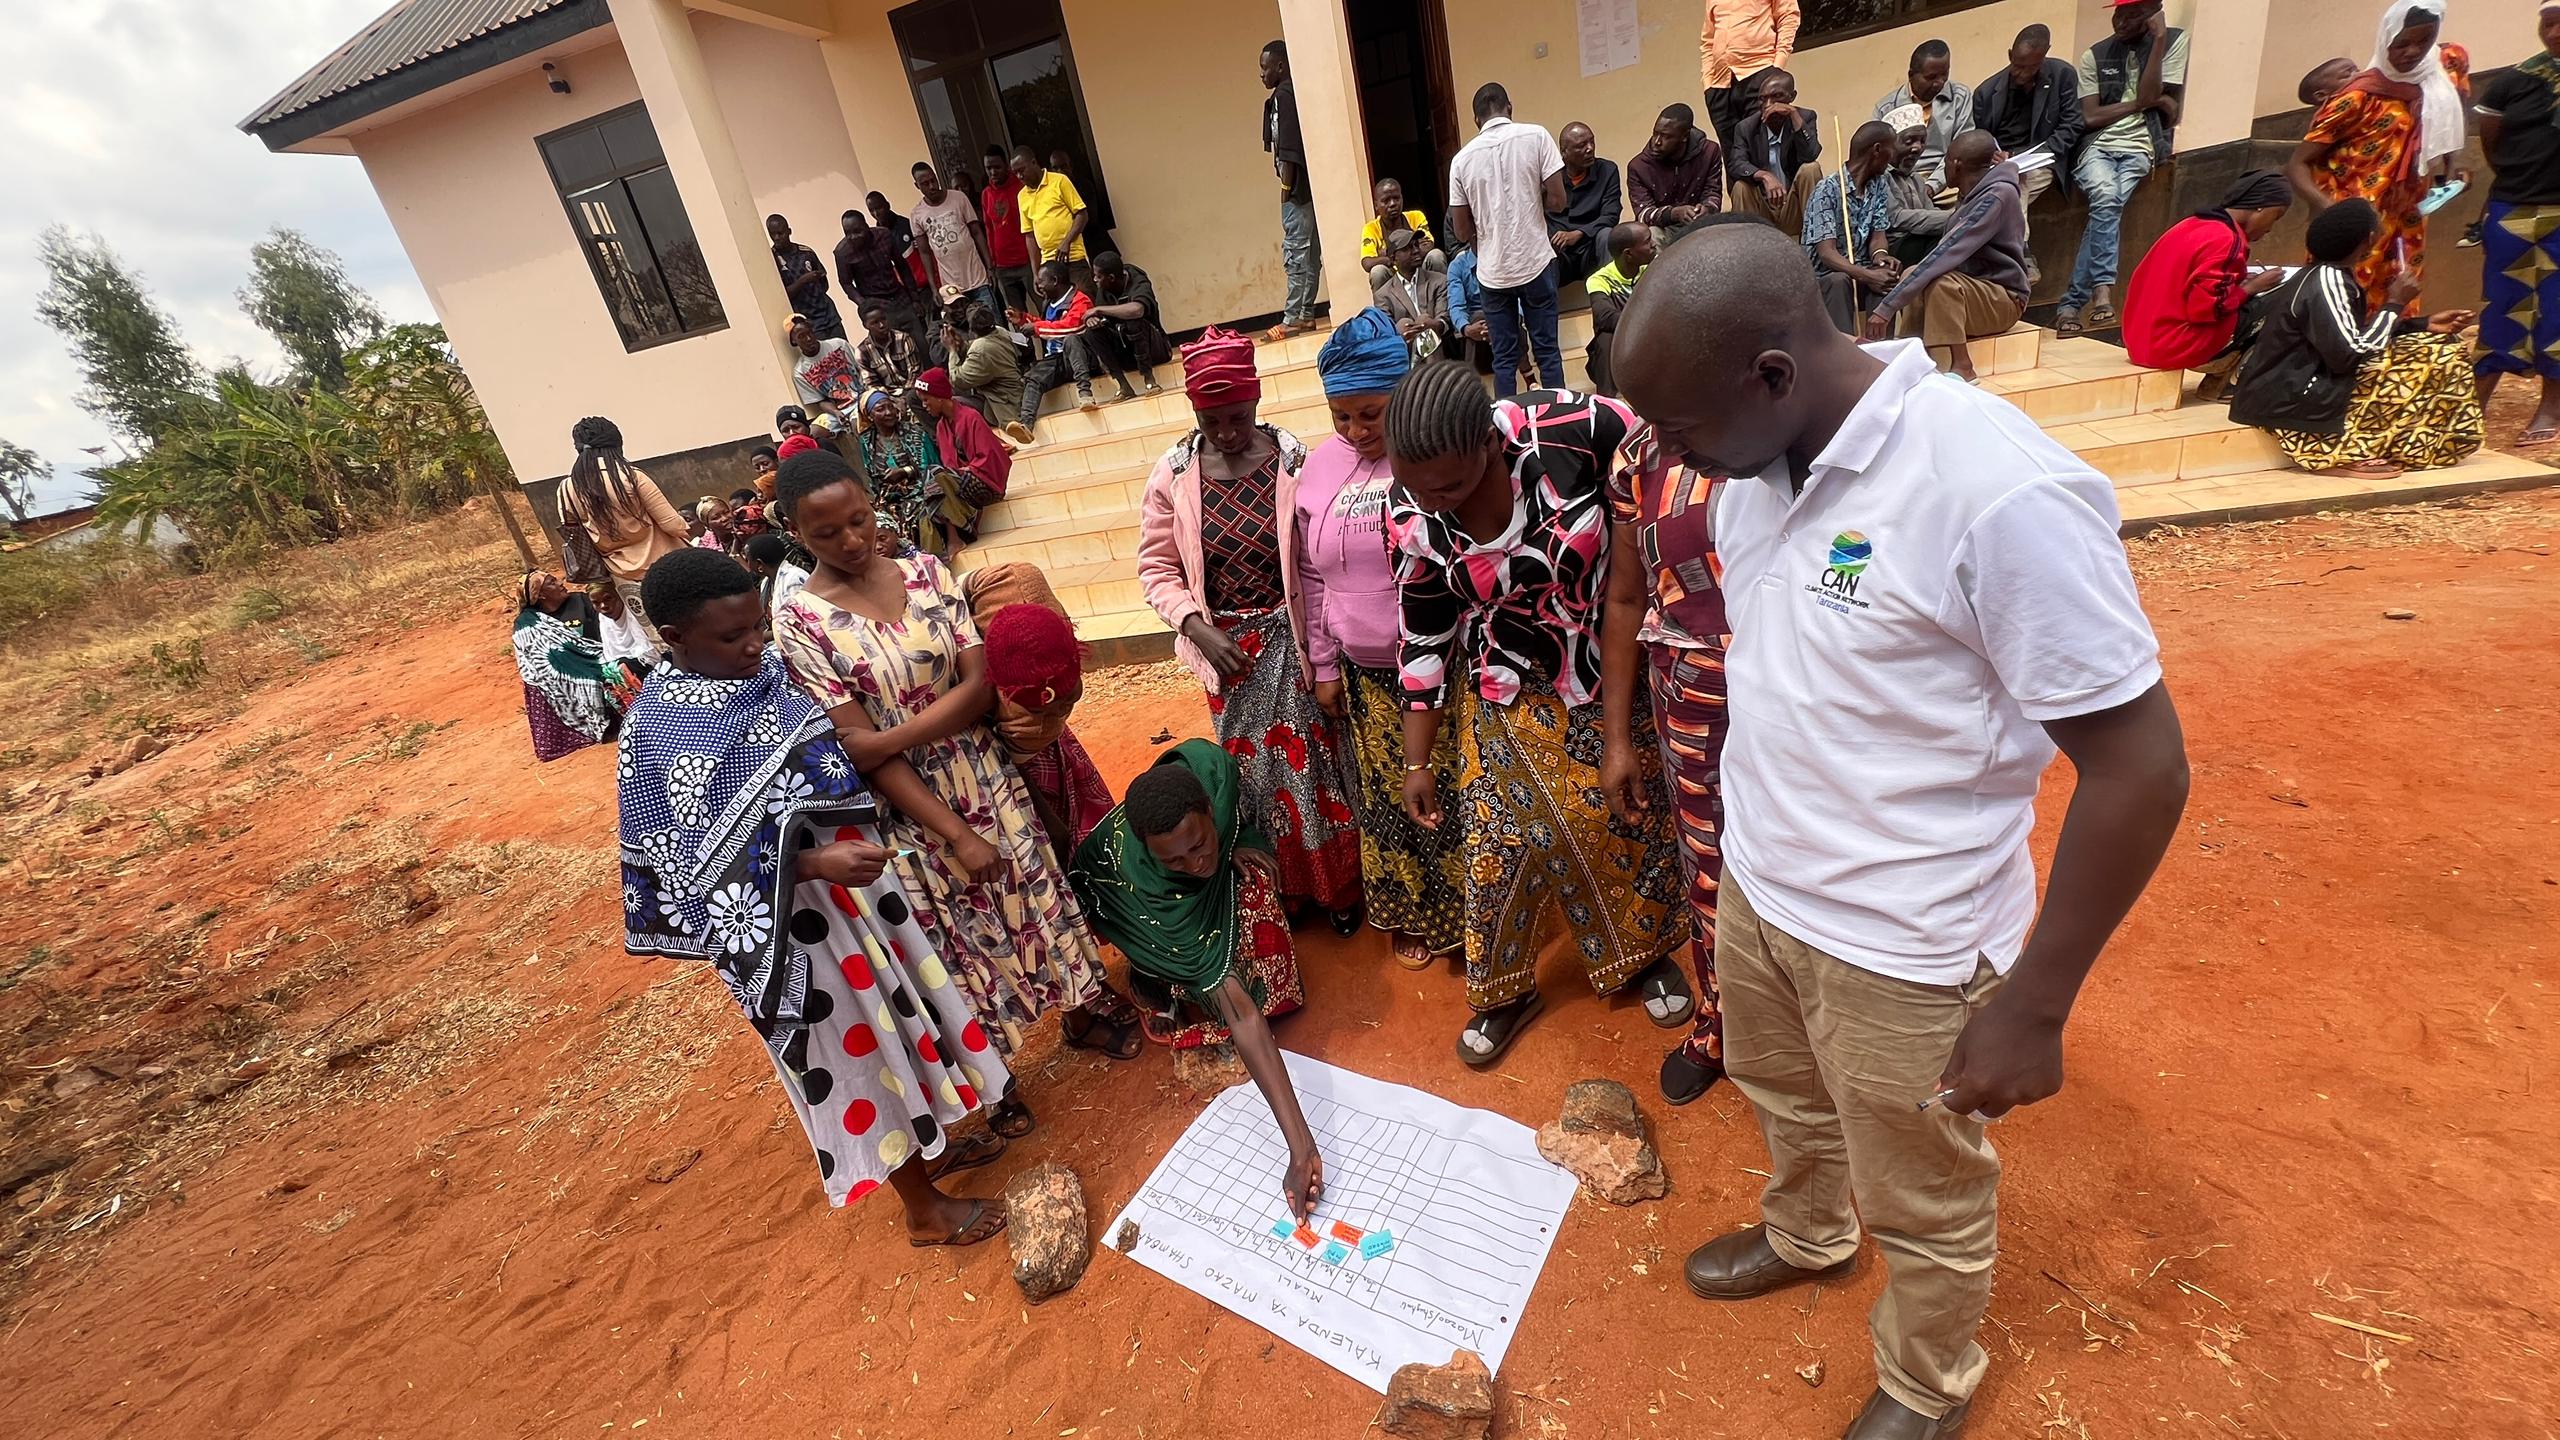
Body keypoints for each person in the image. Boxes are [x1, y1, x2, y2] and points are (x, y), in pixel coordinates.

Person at [1613, 220, 2191, 1440]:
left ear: (1773, 374)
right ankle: (1808, 1233)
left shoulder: (1994, 489)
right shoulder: (1750, 471)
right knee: (1783, 1096)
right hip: (1763, 891)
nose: (1667, 458)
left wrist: (2034, 1005)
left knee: (1923, 1190)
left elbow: (2140, 768)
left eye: (1681, 428)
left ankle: (1929, 1382)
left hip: (1904, 942)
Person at [618, 547, 1013, 1245]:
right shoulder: (659, 731)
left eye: (756, 627)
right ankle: (922, 1210)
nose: (754, 645)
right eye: (732, 636)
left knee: (901, 1018)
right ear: (673, 638)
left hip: (856, 894)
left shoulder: (764, 674)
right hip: (787, 929)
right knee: (857, 1052)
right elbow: (685, 867)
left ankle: (932, 1147)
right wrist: (810, 862)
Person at [772, 449, 1138, 1110]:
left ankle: (1080, 1012)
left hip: (984, 772)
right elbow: (864, 753)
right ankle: (995, 1079)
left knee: (1031, 893)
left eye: (859, 519)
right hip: (909, 805)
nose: (851, 540)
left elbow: (978, 686)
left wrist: (883, 738)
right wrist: (954, 831)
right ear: (795, 532)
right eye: (826, 533)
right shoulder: (799, 621)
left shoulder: (926, 572)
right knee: (955, 936)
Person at [1383, 364, 1696, 1066]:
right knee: (1496, 849)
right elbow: (1424, 630)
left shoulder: (1580, 431)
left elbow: (1649, 518)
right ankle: (1505, 991)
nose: (1432, 503)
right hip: (1505, 682)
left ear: (1488, 445)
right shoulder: (1410, 509)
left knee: (1617, 822)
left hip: (1609, 666)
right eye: (1416, 486)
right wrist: (1416, 759)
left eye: (1449, 487)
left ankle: (1643, 956)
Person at [1138, 326, 1364, 926]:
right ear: (1194, 412)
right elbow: (1157, 568)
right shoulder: (1173, 476)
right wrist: (1195, 626)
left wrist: (1325, 654)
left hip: (1297, 641)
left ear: (1256, 399)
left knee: (1317, 766)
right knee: (1249, 777)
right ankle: (1284, 891)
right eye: (1211, 421)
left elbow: (1317, 563)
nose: (1226, 433)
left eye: (1237, 417)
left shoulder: (1294, 463)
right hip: (1228, 654)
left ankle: (1339, 888)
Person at [1068, 741, 1320, 1219]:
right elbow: (1240, 1013)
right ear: (1151, 853)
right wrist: (1300, 1146)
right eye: (1175, 861)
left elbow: (1227, 824)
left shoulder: (1213, 773)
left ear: (1209, 809)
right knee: (1210, 972)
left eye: (1201, 845)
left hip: (1187, 861)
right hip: (1132, 905)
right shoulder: (1146, 883)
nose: (1196, 864)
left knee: (1254, 885)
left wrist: (1236, 839)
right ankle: (1153, 974)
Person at [1294, 311, 1463, 968]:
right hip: (1364, 675)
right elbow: (1312, 572)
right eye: (1341, 416)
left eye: (1371, 414)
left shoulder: (1431, 454)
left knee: (1449, 793)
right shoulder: (1319, 468)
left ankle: (1475, 917)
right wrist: (1323, 663)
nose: (1356, 431)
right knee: (1391, 801)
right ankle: (1414, 912)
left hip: (1442, 668)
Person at [2231, 199, 2482, 478]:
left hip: (2295, 386)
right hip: (2291, 398)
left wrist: (2422, 324)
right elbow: (2349, 354)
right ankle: (2344, 450)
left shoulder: (2326, 274)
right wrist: (2395, 303)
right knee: (2437, 357)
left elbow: (2346, 336)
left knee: (2439, 343)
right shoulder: (2328, 280)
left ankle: (2402, 443)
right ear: (2370, 238)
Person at [2288, 2, 2472, 317]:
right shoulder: (2358, 98)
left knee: (2401, 292)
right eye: (2401, 44)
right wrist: (2329, 210)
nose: (2413, 52)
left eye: (2424, 41)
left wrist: (2451, 169)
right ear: (2385, 39)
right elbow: (2297, 164)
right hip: (2357, 215)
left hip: (2407, 214)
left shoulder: (2434, 82)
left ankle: (2388, 346)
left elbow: (2453, 82)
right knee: (2341, 298)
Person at [2060, 0, 2187, 336]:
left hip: (2142, 147)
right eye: (2118, 14)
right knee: (2106, 198)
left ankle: (2071, 304)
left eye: (2132, 15)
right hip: (2098, 146)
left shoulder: (2174, 41)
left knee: (2106, 206)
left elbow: (2152, 92)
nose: (2120, 22)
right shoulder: (2095, 54)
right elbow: (2090, 117)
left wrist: (2158, 41)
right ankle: (2101, 292)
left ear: (2153, 16)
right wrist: (2146, 103)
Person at [1866, 132, 2030, 382]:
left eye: (1946, 161)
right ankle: (1912, 356)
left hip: (2005, 299)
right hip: (1976, 291)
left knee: (1942, 284)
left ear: (1956, 164)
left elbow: (1948, 251)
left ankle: (1960, 367)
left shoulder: (1995, 197)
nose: (1944, 168)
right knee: (1913, 274)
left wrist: (1886, 308)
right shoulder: (1976, 191)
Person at [2121, 170, 2296, 396]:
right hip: (2170, 346)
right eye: (2276, 216)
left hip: (2139, 341)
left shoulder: (2191, 224)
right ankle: (2232, 382)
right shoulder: (2226, 240)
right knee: (2287, 296)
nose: (2271, 227)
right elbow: (2206, 311)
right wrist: (2252, 288)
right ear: (2261, 208)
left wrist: (2239, 283)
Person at [975, 593, 1114, 868]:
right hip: (1027, 777)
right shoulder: (1019, 729)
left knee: (1098, 831)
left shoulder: (1046, 713)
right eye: (1040, 711)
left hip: (1062, 757)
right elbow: (1051, 828)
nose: (1058, 711)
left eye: (1068, 698)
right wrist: (1056, 833)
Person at [1448, 83, 1568, 398]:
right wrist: (1532, 202)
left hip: (1492, 272)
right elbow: (1558, 201)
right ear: (1509, 107)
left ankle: (1507, 423)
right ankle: (1560, 418)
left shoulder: (1461, 160)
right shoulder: (1537, 136)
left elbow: (1461, 232)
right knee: (1547, 351)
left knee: (1503, 358)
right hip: (1535, 261)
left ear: (1476, 120)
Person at [2475, 3, 2560, 444]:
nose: (2555, 32)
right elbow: (2492, 142)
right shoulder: (2514, 81)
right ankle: (2474, 404)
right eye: (2548, 23)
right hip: (2514, 207)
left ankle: (2551, 407)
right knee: (2502, 303)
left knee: (2558, 310)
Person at [554, 416, 690, 641]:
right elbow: (672, 524)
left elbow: (575, 535)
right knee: (693, 621)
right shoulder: (632, 476)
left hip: (622, 575)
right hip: (669, 564)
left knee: (658, 633)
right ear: (616, 443)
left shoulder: (567, 488)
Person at [513, 570, 636, 761]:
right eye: (552, 582)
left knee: (620, 668)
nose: (560, 583)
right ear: (541, 595)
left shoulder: (580, 600)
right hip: (565, 675)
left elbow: (604, 627)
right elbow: (538, 662)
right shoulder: (529, 624)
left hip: (601, 653)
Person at [1803, 121, 1904, 335]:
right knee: (1839, 281)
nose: (1894, 157)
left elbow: (1878, 235)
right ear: (1877, 149)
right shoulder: (1827, 190)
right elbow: (1827, 254)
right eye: (1892, 149)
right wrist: (1867, 275)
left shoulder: (1878, 184)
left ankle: (1880, 347)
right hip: (1826, 278)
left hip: (1860, 271)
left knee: (1885, 278)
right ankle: (1844, 349)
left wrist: (1880, 257)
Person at [1971, 25, 2082, 210]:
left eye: (2031, 68)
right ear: (2010, 55)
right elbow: (1982, 137)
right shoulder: (1986, 93)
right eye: (2018, 66)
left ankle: (2012, 232)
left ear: (2044, 55)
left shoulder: (2062, 75)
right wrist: (1993, 154)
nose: (2021, 74)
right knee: (1986, 192)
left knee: (2013, 190)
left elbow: (2072, 125)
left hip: (2042, 159)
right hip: (1999, 161)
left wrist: (2029, 154)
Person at [852, 388, 964, 557]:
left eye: (890, 406)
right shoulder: (866, 441)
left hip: (919, 486)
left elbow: (928, 465)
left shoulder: (914, 432)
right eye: (880, 409)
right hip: (890, 495)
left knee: (926, 500)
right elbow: (872, 475)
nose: (888, 412)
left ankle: (945, 546)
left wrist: (905, 472)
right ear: (870, 416)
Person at [1262, 40, 1321, 339]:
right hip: (1309, 189)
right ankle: (1307, 314)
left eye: (1265, 67)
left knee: (1296, 254)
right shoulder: (1289, 94)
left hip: (1298, 191)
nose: (1261, 74)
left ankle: (1291, 318)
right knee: (1310, 254)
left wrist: (1286, 187)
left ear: (1280, 66)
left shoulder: (1284, 97)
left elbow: (1288, 149)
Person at [915, 366, 1009, 546]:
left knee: (934, 474)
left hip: (988, 485)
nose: (924, 405)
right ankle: (936, 555)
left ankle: (956, 538)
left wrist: (966, 470)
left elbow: (989, 458)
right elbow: (949, 466)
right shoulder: (941, 427)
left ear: (939, 397)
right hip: (960, 485)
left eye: (926, 400)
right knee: (925, 508)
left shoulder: (971, 417)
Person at [1727, 69, 1824, 237]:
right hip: (1763, 209)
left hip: (1794, 208)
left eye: (1776, 97)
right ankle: (1747, 244)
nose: (1768, 104)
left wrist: (1794, 115)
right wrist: (1765, 176)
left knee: (1811, 169)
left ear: (1792, 96)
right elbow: (1736, 164)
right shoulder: (1746, 127)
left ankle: (1817, 238)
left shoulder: (1804, 117)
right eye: (1762, 99)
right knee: (1741, 187)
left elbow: (1810, 154)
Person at [1872, 39, 1975, 192]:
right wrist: (1908, 188)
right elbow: (1878, 158)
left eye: (1944, 74)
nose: (1939, 83)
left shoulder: (1959, 97)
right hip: (1901, 185)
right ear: (1911, 75)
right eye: (1931, 77)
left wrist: (1932, 185)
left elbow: (1962, 147)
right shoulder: (1886, 108)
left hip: (1949, 181)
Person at [1699, 0, 1800, 156]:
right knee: (1732, 155)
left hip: (1759, 74)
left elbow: (1788, 16)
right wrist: (1708, 83)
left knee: (1763, 151)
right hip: (1720, 84)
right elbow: (1708, 41)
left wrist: (1776, 68)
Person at [909, 162, 1000, 325]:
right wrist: (934, 288)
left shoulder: (958, 198)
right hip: (952, 290)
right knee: (965, 329)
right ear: (917, 186)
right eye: (925, 184)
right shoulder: (917, 214)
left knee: (992, 324)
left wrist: (990, 267)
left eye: (933, 180)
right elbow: (924, 253)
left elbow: (977, 232)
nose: (932, 186)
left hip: (978, 279)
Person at [1019, 261, 1104, 422]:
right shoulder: (1049, 302)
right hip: (1057, 360)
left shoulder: (1080, 300)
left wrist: (1036, 328)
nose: (1038, 286)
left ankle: (1085, 394)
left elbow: (1071, 328)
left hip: (1082, 359)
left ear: (1055, 281)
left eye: (1041, 281)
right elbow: (1050, 325)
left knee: (1071, 340)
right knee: (1033, 377)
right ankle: (1025, 424)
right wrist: (1023, 319)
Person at [1628, 103, 1724, 241]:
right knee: (1652, 235)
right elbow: (1643, 214)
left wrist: (1707, 209)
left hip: (1699, 224)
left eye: (1666, 136)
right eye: (1655, 133)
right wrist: (1673, 214)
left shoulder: (1709, 152)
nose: (1657, 142)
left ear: (1685, 136)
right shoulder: (1639, 166)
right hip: (1664, 229)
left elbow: (1713, 193)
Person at [835, 208, 924, 352]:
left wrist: (915, 298)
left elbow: (902, 266)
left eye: (857, 231)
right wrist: (864, 305)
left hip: (901, 298)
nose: (853, 237)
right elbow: (846, 283)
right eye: (848, 233)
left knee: (921, 345)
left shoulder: (884, 235)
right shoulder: (842, 252)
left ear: (866, 225)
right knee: (896, 350)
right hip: (879, 308)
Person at [1584, 222, 1656, 396]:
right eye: (1647, 241)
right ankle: (1606, 401)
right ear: (1628, 254)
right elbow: (1603, 317)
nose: (1653, 244)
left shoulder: (1654, 268)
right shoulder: (1600, 279)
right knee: (1604, 337)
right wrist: (1641, 323)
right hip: (1621, 341)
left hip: (1651, 336)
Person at [1083, 252, 1170, 396]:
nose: (1095, 280)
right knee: (1092, 333)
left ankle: (1149, 379)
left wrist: (1098, 309)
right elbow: (1101, 318)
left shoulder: (1138, 281)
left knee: (1133, 321)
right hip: (1128, 353)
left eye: (1098, 276)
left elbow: (1137, 310)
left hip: (1155, 350)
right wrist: (1092, 320)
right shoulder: (1104, 289)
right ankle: (1123, 386)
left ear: (1111, 278)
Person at [950, 302, 1036, 444]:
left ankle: (999, 438)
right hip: (1014, 392)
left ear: (972, 328)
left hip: (1003, 403)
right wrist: (962, 345)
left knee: (954, 403)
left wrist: (952, 351)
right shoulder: (1000, 331)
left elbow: (958, 379)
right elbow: (982, 346)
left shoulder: (980, 350)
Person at [1548, 121, 1622, 285]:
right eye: (1581, 146)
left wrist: (1579, 233)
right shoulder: (1550, 177)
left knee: (1607, 235)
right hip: (1558, 251)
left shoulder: (1607, 171)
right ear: (1564, 152)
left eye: (1592, 141)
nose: (1590, 148)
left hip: (1590, 246)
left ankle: (1613, 294)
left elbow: (1611, 215)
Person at [1879, 106, 1952, 268]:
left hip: (1918, 242)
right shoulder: (1880, 176)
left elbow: (1931, 212)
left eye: (1922, 141)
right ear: (1890, 144)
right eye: (1909, 141)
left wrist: (1958, 218)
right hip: (1893, 250)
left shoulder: (1917, 179)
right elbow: (1896, 218)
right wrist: (1954, 217)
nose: (1917, 147)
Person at [1012, 147, 1092, 296]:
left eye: (1022, 170)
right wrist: (1036, 273)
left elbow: (1082, 215)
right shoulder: (1022, 196)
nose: (1019, 176)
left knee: (1083, 302)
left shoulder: (1059, 181)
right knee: (1055, 308)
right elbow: (1029, 236)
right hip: (1048, 265)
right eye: (1015, 173)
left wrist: (1066, 242)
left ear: (1034, 163)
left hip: (1073, 257)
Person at [1373, 230, 1450, 361]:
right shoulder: (1383, 295)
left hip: (1440, 346)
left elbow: (1445, 318)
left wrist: (1434, 325)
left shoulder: (1439, 281)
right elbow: (1386, 334)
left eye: (1416, 245)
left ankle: (1432, 373)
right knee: (1403, 324)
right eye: (1407, 248)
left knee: (1425, 325)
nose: (1415, 251)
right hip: (1406, 352)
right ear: (1393, 258)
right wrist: (1401, 335)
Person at [766, 214, 844, 341]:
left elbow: (823, 281)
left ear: (789, 231)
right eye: (772, 234)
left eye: (780, 233)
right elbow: (782, 296)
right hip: (808, 322)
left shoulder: (806, 252)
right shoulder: (772, 259)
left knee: (843, 349)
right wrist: (803, 281)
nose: (777, 238)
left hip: (828, 314)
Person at [981, 144, 1034, 315]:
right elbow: (989, 229)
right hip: (1003, 267)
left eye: (997, 167)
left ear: (1006, 166)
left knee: (1044, 307)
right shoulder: (986, 194)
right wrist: (992, 264)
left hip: (1026, 261)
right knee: (1017, 316)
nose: (993, 172)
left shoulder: (1021, 186)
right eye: (988, 168)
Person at [1362, 178, 1443, 289]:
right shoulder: (1371, 229)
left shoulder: (1416, 217)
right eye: (1386, 201)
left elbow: (1428, 245)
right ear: (1376, 205)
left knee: (1436, 255)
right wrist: (1398, 257)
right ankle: (1385, 302)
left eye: (1396, 198)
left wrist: (1388, 255)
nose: (1392, 204)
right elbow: (1367, 263)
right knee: (1377, 272)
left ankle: (1443, 295)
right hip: (1394, 281)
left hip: (1420, 272)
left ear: (1402, 198)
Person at [788, 313, 859, 416]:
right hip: (842, 410)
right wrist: (836, 412)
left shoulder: (839, 344)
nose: (808, 338)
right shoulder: (800, 372)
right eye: (801, 336)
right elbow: (820, 401)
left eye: (809, 333)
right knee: (819, 426)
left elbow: (862, 367)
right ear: (794, 341)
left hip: (864, 395)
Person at [856, 305, 927, 397]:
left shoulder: (903, 339)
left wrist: (905, 396)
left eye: (883, 319)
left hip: (912, 392)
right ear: (865, 325)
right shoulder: (862, 352)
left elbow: (915, 373)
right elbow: (871, 384)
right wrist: (890, 399)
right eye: (875, 323)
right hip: (887, 398)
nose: (882, 325)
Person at [590, 580, 657, 670]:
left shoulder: (635, 612)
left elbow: (651, 654)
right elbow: (609, 655)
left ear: (619, 596)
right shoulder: (603, 618)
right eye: (596, 603)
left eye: (608, 598)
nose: (603, 606)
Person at [742, 532, 790, 609]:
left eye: (748, 560)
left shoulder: (792, 580)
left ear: (759, 564)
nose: (748, 564)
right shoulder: (766, 582)